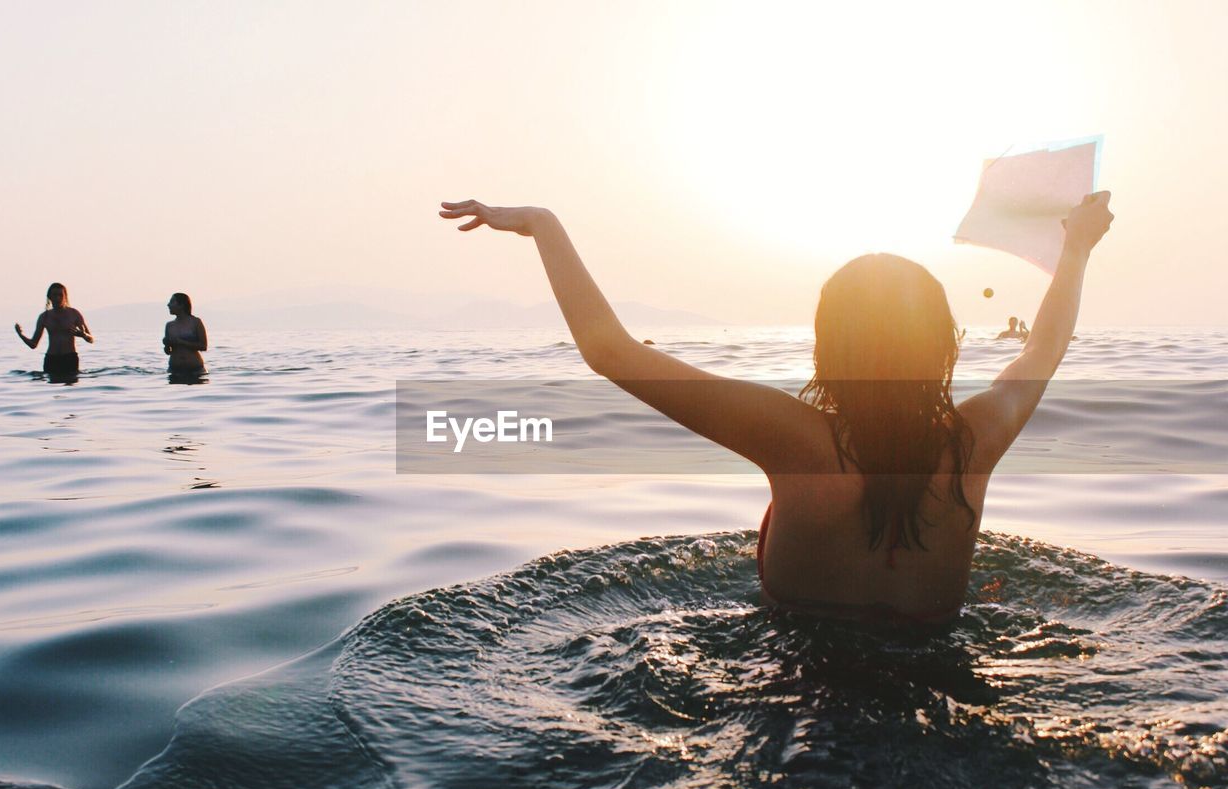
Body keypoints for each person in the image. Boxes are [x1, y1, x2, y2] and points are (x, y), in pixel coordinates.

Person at [440, 191, 1113, 625]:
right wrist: (1075, 248)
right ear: (944, 345)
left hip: (805, 704)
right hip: (938, 690)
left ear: (827, 349)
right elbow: (1044, 349)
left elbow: (608, 350)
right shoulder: (979, 437)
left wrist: (542, 224)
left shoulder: (798, 443)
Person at [14, 282, 94, 379]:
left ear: (65, 296)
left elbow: (91, 339)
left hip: (69, 358)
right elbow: (33, 344)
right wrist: (20, 334)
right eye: (54, 295)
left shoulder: (74, 314)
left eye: (60, 295)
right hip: (51, 359)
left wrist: (84, 335)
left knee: (69, 388)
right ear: (49, 297)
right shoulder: (44, 317)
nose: (57, 298)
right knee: (51, 388)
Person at [162, 293, 208, 376]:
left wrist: (181, 342)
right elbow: (168, 351)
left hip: (196, 370)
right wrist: (166, 344)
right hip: (174, 370)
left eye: (172, 302)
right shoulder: (169, 325)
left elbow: (203, 346)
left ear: (181, 305)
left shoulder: (196, 322)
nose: (168, 305)